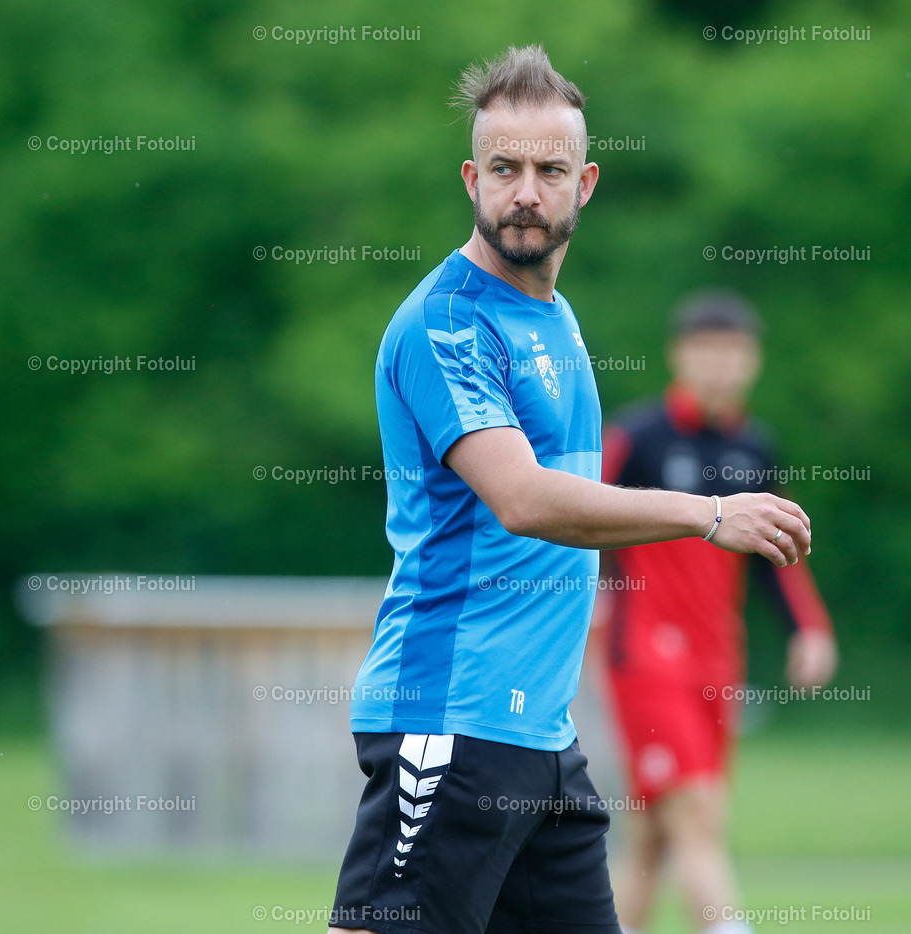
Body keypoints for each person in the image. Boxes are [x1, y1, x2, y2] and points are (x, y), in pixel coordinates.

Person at [328, 47, 813, 934]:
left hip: (541, 742)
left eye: (549, 170)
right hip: (452, 722)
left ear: (583, 183)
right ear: (471, 178)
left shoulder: (553, 316)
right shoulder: (447, 323)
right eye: (505, 169)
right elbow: (527, 498)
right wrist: (708, 515)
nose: (525, 192)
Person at [600, 289, 838, 934]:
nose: (719, 365)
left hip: (717, 660)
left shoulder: (756, 448)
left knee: (653, 837)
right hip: (645, 653)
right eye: (706, 350)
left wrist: (808, 630)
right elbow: (573, 515)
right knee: (698, 813)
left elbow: (778, 556)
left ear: (753, 361)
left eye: (733, 352)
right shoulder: (637, 437)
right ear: (679, 355)